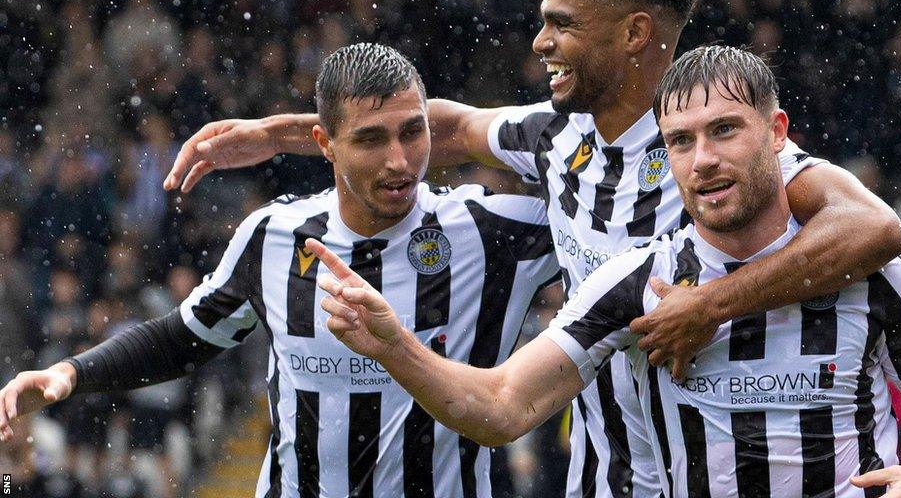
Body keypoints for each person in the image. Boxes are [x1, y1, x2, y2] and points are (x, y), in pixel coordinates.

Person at [163, 0, 901, 497]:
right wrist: (279, 136)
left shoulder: (711, 152)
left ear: (635, 34)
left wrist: (709, 305)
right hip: (600, 474)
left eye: (562, 24)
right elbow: (444, 126)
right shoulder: (556, 138)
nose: (540, 41)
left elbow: (875, 228)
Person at [310, 46, 901, 498]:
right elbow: (502, 406)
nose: (703, 161)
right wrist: (395, 345)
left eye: (724, 131)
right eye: (681, 142)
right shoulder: (636, 284)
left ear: (777, 132)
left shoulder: (868, 271)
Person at [0, 43, 560, 498]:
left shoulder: (494, 232)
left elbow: (590, 180)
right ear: (325, 145)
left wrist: (274, 133)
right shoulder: (272, 236)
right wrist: (71, 374)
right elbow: (183, 338)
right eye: (370, 139)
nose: (399, 160)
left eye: (413, 132)